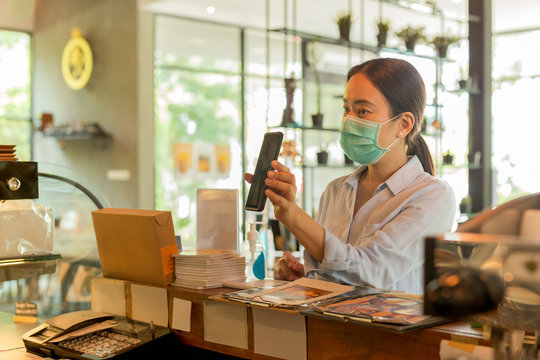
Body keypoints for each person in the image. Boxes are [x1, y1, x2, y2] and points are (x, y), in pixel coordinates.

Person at [244, 58, 456, 294]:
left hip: (388, 331)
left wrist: (293, 215)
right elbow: (337, 274)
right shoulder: (335, 191)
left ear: (404, 124)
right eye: (346, 109)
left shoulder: (433, 196)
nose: (349, 121)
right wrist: (305, 276)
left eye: (363, 111)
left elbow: (372, 271)